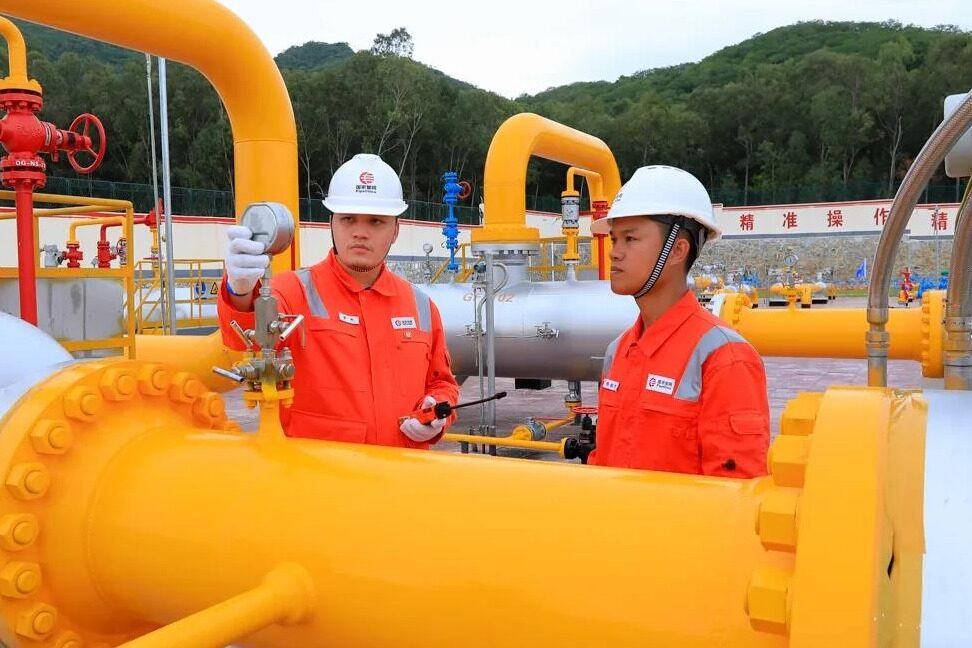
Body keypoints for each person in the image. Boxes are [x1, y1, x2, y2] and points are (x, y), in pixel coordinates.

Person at [218, 153, 459, 448]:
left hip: (401, 471)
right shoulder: (292, 292)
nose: (360, 232)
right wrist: (240, 290)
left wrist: (436, 412)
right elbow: (244, 344)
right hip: (320, 472)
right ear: (331, 223)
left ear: (395, 230)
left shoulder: (420, 306)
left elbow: (442, 383)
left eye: (376, 221)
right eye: (348, 219)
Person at [587, 165, 769, 477]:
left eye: (630, 239)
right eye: (614, 239)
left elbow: (737, 490)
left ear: (676, 251)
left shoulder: (725, 358)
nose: (614, 253)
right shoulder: (618, 351)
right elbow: (603, 460)